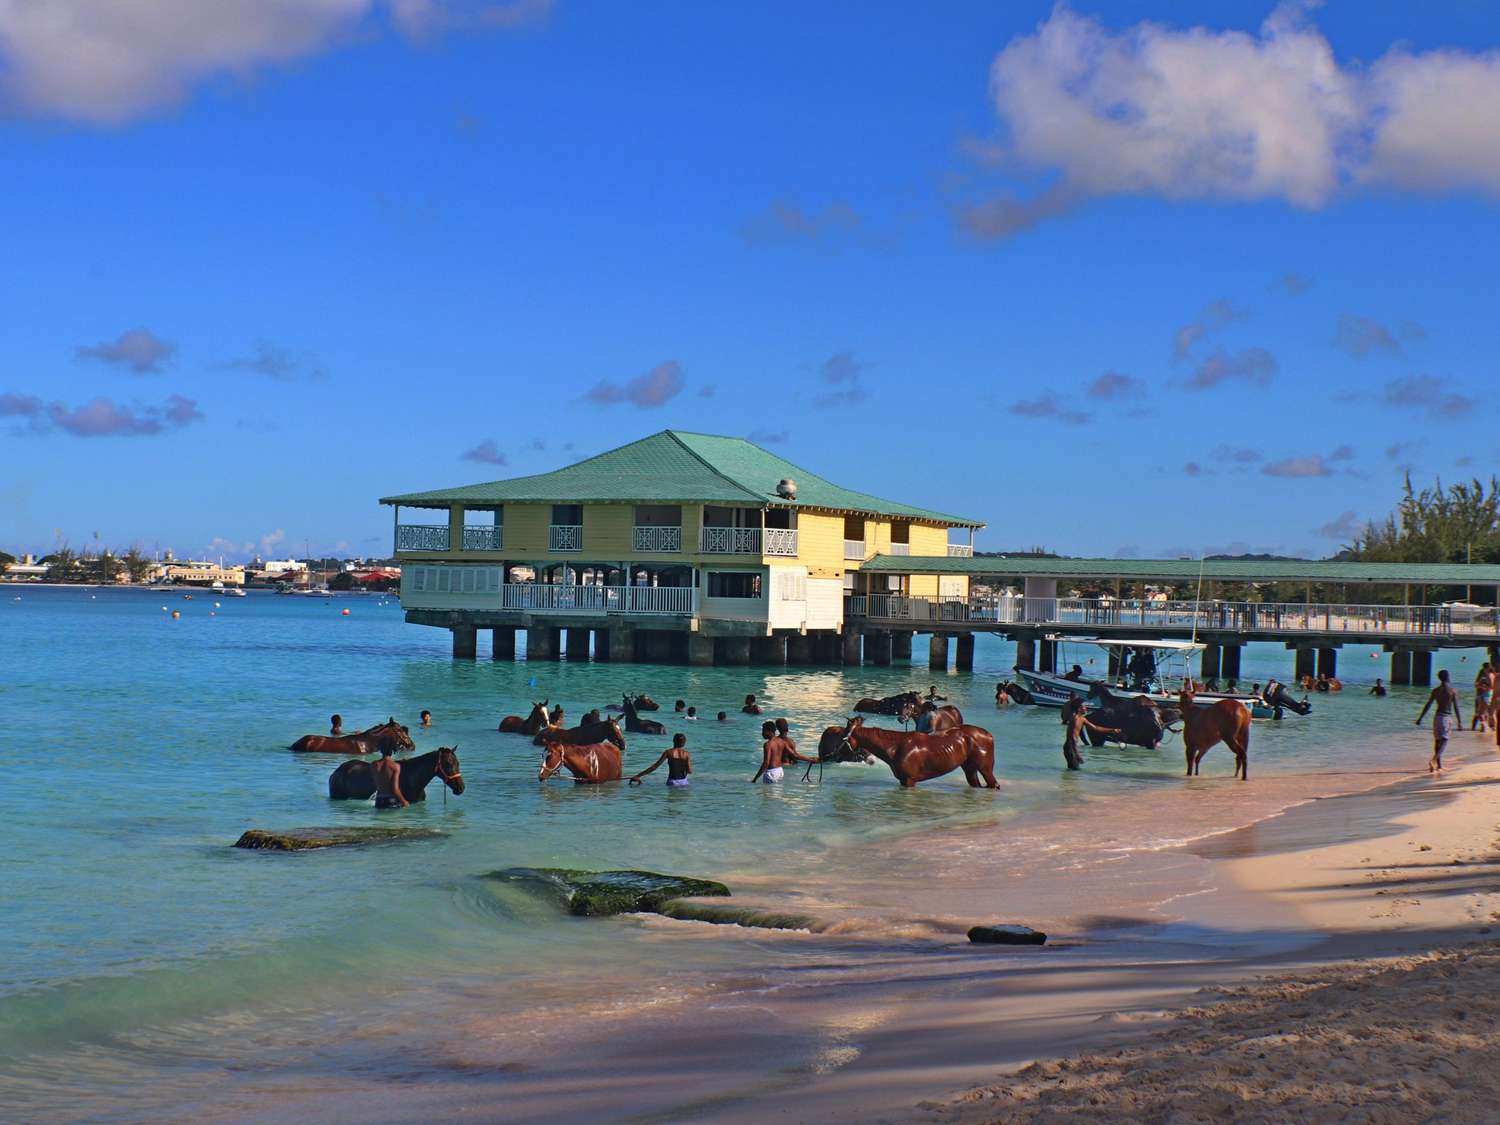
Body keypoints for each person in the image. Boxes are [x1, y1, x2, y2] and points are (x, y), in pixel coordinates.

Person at [1416, 669, 1462, 772]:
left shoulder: (1436, 690)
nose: (1451, 677)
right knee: (1445, 740)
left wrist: (1420, 718)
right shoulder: (1452, 691)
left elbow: (1428, 704)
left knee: (1437, 741)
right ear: (1447, 678)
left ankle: (1439, 766)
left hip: (1437, 717)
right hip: (1446, 717)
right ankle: (1433, 760)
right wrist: (1460, 722)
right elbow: (1456, 707)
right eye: (1450, 676)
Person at [1060, 696, 1119, 771]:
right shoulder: (1076, 720)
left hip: (1072, 747)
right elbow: (1073, 739)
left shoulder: (1082, 719)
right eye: (1083, 707)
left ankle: (1067, 782)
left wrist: (1112, 730)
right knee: (1075, 770)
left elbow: (1096, 728)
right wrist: (1077, 755)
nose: (1085, 708)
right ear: (1079, 709)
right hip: (1070, 747)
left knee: (1073, 770)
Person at [373, 744, 409, 809]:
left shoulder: (373, 765)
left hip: (378, 800)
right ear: (392, 751)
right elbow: (395, 789)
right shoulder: (395, 766)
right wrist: (404, 801)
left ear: (381, 750)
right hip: (391, 801)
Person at [1473, 664, 1493, 731]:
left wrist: (1482, 686)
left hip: (1482, 695)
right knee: (1482, 712)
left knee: (1480, 712)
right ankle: (1486, 726)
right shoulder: (1488, 675)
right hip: (1482, 695)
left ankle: (1483, 727)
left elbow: (1490, 686)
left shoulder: (1487, 675)